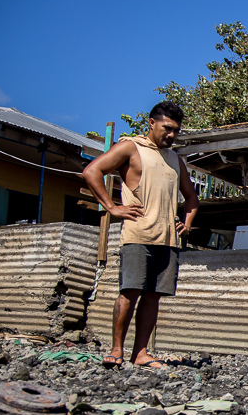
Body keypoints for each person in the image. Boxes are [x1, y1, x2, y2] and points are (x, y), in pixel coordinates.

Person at [82, 101, 199, 369]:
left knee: (153, 297)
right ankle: (116, 350)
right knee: (130, 292)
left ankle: (141, 353)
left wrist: (187, 223)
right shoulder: (130, 147)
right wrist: (112, 207)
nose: (171, 135)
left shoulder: (175, 159)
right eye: (167, 128)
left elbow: (192, 196)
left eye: (176, 131)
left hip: (167, 238)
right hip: (138, 234)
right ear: (152, 123)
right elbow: (91, 172)